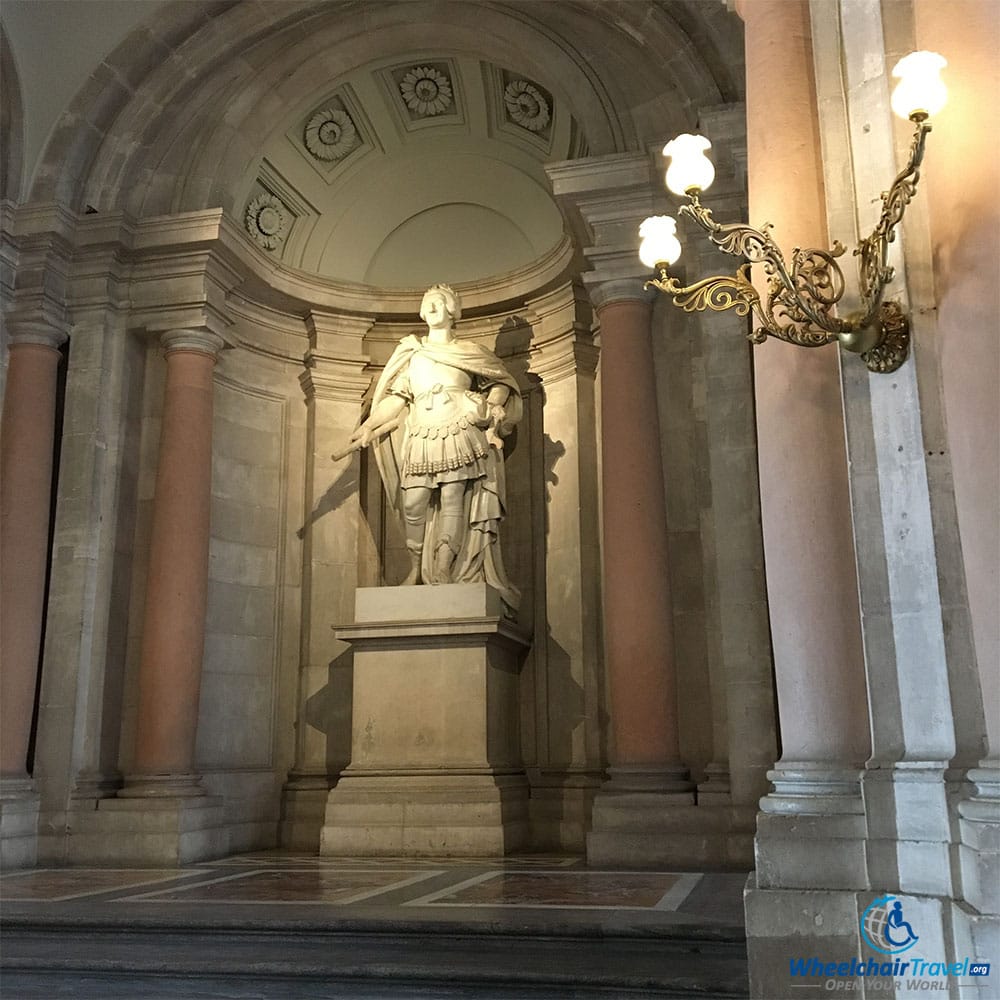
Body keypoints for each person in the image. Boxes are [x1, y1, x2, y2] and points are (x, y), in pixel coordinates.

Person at [349, 284, 522, 609]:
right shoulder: (412, 353)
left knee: (453, 495)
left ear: (453, 310)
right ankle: (416, 567)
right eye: (427, 302)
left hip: (459, 427)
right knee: (413, 501)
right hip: (422, 434)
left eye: (439, 302)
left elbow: (500, 382)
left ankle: (442, 566)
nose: (432, 306)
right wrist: (369, 426)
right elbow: (397, 400)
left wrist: (492, 406)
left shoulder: (470, 351)